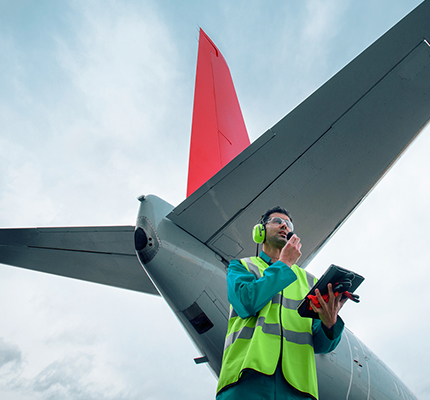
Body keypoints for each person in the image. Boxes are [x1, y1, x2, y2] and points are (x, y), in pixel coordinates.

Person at [216, 206, 346, 400]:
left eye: (288, 224)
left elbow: (321, 345)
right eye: (277, 221)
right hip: (246, 380)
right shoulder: (241, 267)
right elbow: (246, 302)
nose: (284, 225)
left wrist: (330, 324)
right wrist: (284, 264)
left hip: (298, 388)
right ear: (260, 231)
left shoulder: (310, 282)